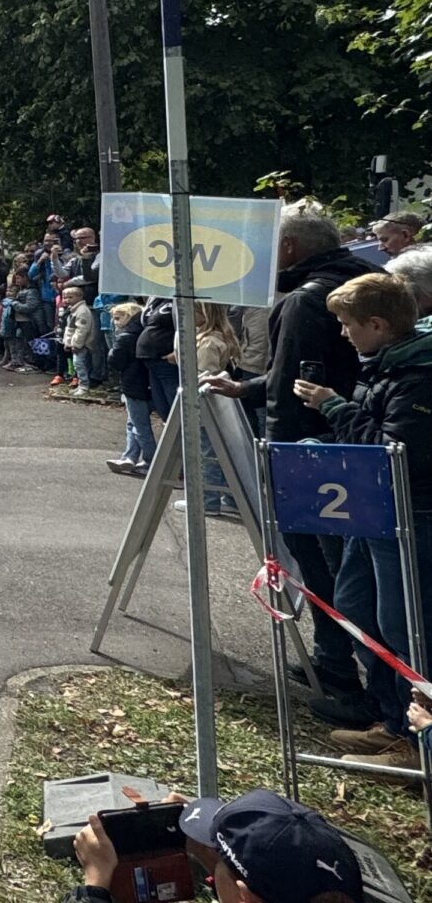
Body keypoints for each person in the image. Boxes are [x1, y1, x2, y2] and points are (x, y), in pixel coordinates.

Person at [203, 209, 382, 725]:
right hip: (357, 437)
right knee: (351, 566)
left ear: (287, 249)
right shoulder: (362, 280)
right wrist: (244, 387)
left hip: (310, 449)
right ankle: (342, 664)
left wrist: (275, 449)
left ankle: (340, 673)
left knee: (320, 562)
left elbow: (292, 385)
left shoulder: (305, 299)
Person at [289, 272, 432, 767]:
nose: (344, 335)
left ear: (378, 323)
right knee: (354, 604)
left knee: (406, 626)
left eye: (349, 324)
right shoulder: (387, 364)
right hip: (371, 512)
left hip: (410, 517)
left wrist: (333, 406)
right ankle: (390, 720)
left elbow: (396, 454)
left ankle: (417, 740)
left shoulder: (419, 374)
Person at [67, 788, 369, 903]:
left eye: (219, 856)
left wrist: (95, 883)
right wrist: (205, 848)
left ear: (244, 897)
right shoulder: (342, 885)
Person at [106, 302, 154, 476]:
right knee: (133, 422)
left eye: (118, 318)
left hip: (133, 383)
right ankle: (130, 456)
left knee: (139, 425)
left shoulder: (125, 336)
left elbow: (115, 361)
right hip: (147, 382)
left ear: (127, 316)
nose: (115, 322)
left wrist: (112, 351)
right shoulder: (145, 332)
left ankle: (150, 460)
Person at [62, 284, 106, 392]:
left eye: (70, 297)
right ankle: (81, 385)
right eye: (65, 297)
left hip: (82, 344)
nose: (67, 300)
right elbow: (70, 328)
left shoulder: (82, 311)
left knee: (79, 364)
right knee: (79, 364)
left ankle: (84, 386)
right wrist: (68, 342)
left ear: (80, 297)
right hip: (75, 343)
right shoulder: (73, 310)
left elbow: (81, 330)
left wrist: (76, 344)